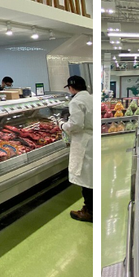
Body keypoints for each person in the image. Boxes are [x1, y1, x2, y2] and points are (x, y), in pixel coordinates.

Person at [62, 75, 93, 222]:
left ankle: (89, 211)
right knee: (90, 177)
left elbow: (76, 124)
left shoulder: (76, 101)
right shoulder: (90, 97)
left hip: (84, 142)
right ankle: (90, 208)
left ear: (71, 87)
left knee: (86, 179)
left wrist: (62, 125)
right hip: (91, 139)